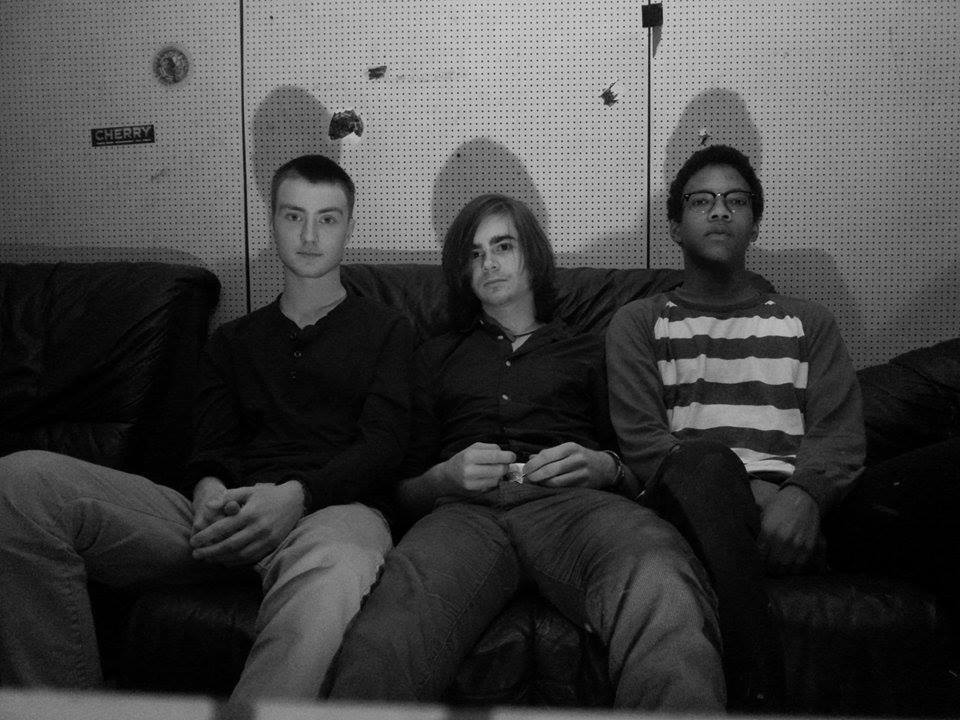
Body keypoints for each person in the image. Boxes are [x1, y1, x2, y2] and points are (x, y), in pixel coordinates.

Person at [0, 154, 414, 702]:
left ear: (349, 228)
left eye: (327, 219)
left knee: (338, 565)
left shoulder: (389, 330)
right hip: (220, 517)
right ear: (273, 221)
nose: (310, 236)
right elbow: (211, 444)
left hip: (332, 515)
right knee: (19, 482)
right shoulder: (232, 341)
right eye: (294, 216)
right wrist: (208, 491)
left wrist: (298, 495)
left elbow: (386, 445)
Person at [325, 193, 726, 711]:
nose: (488, 263)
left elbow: (640, 466)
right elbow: (403, 491)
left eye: (503, 246)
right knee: (387, 633)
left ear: (533, 256)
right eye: (474, 254)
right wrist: (445, 477)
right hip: (464, 515)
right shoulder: (433, 355)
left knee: (661, 578)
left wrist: (603, 466)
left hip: (576, 508)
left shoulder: (590, 349)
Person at [605, 144, 865, 710]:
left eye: (735, 200)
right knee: (703, 462)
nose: (720, 210)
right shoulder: (641, 323)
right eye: (701, 201)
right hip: (693, 503)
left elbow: (839, 434)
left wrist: (804, 496)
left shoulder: (808, 321)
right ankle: (759, 697)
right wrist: (753, 497)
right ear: (675, 227)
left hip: (801, 511)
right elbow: (646, 445)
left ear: (754, 222)